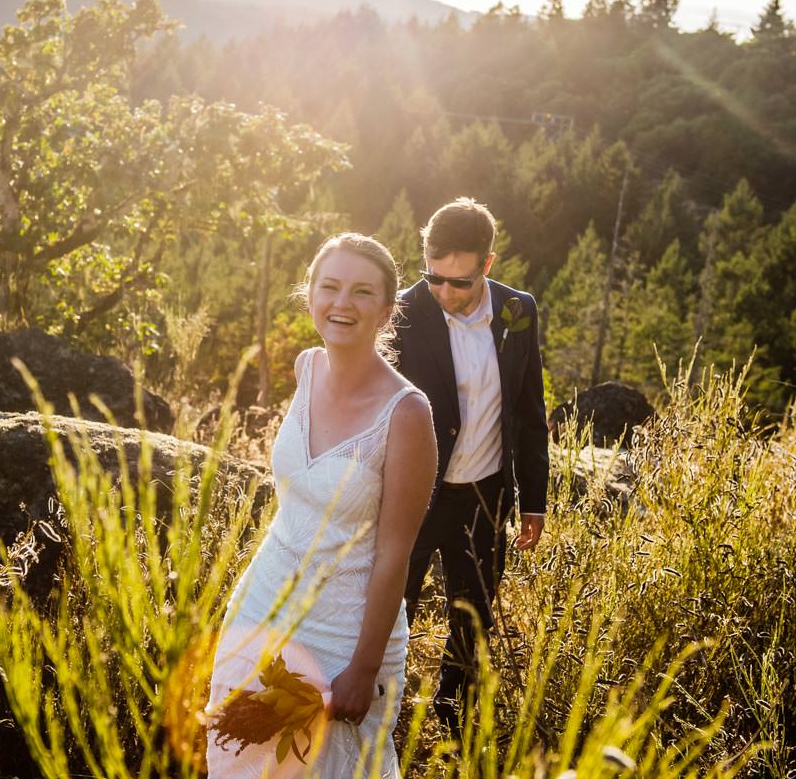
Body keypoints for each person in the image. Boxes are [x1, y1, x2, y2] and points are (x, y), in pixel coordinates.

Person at [206, 233, 437, 778]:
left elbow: (394, 554)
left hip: (346, 629)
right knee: (240, 757)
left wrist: (363, 667)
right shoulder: (306, 368)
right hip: (263, 600)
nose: (342, 303)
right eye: (329, 287)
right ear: (309, 295)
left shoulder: (407, 416)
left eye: (362, 292)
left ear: (386, 311)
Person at [391, 197, 549, 729]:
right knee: (395, 610)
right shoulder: (404, 310)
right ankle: (380, 710)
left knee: (473, 612)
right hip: (414, 495)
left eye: (458, 282)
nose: (443, 292)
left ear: (488, 264)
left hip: (485, 494)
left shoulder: (518, 310)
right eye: (433, 277)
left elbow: (529, 408)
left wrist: (535, 500)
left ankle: (451, 707)